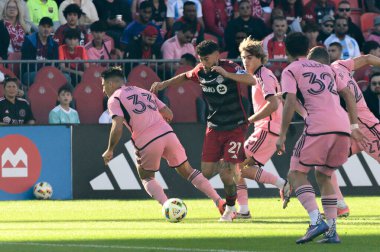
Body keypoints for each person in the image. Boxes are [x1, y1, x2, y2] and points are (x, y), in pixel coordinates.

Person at [151, 40, 256, 222]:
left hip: (235, 125)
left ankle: (230, 208)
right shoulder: (200, 70)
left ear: (217, 55)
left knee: (226, 174)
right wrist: (164, 83)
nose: (204, 62)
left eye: (207, 59)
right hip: (214, 127)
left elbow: (251, 79)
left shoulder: (229, 66)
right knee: (206, 172)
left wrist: (227, 75)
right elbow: (185, 75)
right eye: (201, 59)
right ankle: (231, 167)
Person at [276, 32, 365, 244]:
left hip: (318, 126)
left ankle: (316, 221)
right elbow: (349, 95)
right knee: (324, 176)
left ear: (286, 51)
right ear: (308, 50)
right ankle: (332, 231)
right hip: (342, 127)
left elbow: (289, 101)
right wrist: (354, 126)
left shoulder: (291, 69)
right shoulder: (328, 68)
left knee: (296, 173)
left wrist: (281, 134)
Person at [101, 67, 225, 217]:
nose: (103, 90)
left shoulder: (114, 98)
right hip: (168, 134)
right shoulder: (144, 91)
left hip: (146, 140)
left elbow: (117, 126)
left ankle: (168, 207)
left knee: (146, 177)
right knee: (189, 171)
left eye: (103, 85)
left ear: (111, 84)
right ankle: (218, 200)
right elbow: (169, 113)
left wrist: (110, 149)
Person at [307, 47, 380, 219]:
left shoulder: (325, 78)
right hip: (349, 132)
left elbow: (345, 100)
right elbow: (368, 58)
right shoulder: (340, 65)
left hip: (365, 129)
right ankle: (339, 205)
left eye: (311, 66)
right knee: (323, 164)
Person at [236, 37, 291, 218]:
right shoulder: (261, 75)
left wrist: (249, 120)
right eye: (243, 57)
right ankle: (243, 211)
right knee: (237, 168)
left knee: (235, 166)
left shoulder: (263, 76)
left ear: (260, 57)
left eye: (250, 57)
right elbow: (280, 102)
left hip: (266, 129)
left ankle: (282, 184)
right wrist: (281, 136)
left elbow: (274, 104)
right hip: (270, 130)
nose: (246, 61)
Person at [21, 17, 59, 86]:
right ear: (38, 27)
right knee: (40, 76)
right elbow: (26, 61)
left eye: (49, 27)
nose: (46, 29)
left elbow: (56, 63)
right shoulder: (28, 41)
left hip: (48, 73)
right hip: (30, 73)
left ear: (51, 29)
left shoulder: (54, 44)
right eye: (44, 27)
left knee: (66, 77)